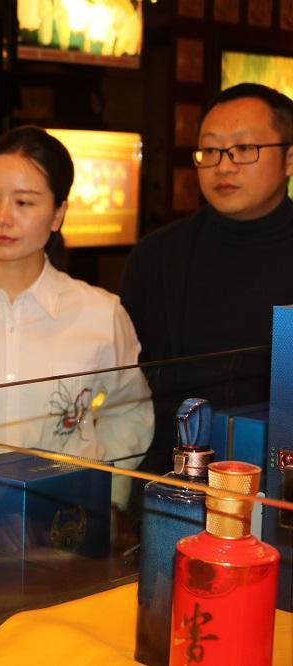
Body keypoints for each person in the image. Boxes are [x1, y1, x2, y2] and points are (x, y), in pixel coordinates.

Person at [0, 126, 153, 505]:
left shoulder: (100, 313)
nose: (2, 217)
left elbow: (130, 410)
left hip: (65, 517)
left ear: (58, 214)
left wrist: (103, 491)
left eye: (23, 202)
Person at [120, 83, 293, 474]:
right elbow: (129, 385)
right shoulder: (156, 256)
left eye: (244, 148)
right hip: (173, 476)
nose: (224, 165)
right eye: (210, 150)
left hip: (280, 477)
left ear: (289, 159)